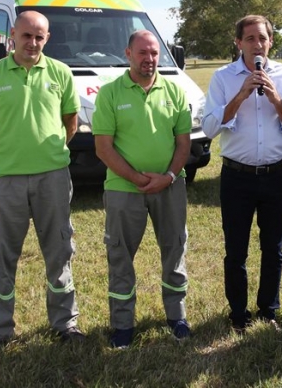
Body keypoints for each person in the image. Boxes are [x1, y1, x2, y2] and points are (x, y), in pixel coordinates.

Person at [0, 10, 84, 354]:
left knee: (59, 250)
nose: (32, 43)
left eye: (39, 37)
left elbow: (71, 123)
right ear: (12, 37)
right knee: (3, 254)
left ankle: (65, 323)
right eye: (26, 36)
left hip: (52, 178)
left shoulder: (61, 73)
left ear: (47, 39)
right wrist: (8, 157)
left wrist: (45, 155)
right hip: (5, 180)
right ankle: (0, 329)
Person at [202, 15, 282, 333]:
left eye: (262, 38)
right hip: (237, 177)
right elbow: (209, 127)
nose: (256, 44)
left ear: (270, 42)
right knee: (236, 249)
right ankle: (238, 314)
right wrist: (240, 95)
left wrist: (275, 99)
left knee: (273, 248)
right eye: (249, 38)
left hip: (275, 175)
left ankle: (268, 310)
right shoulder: (223, 78)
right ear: (238, 43)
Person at [93, 30, 192, 349]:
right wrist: (137, 179)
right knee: (120, 255)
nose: (149, 59)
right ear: (128, 54)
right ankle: (122, 325)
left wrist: (169, 176)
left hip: (169, 188)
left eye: (154, 53)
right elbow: (103, 148)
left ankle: (176, 316)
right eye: (142, 53)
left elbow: (184, 143)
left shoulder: (174, 91)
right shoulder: (109, 93)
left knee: (174, 250)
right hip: (124, 189)